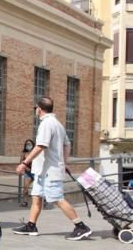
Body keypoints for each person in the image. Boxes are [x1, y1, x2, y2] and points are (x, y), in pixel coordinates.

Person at [13, 97, 93, 240]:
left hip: (50, 171)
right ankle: (31, 226)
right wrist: (64, 161)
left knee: (57, 199)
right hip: (43, 170)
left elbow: (41, 145)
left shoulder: (46, 124)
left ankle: (81, 226)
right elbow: (67, 144)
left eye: (35, 108)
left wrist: (24, 163)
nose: (35, 111)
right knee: (36, 196)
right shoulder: (58, 124)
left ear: (39, 109)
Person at [19, 139, 35, 206]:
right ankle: (25, 202)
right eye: (27, 144)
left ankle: (43, 201)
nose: (28, 145)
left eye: (29, 144)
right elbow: (21, 162)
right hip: (27, 173)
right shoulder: (24, 153)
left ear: (32, 145)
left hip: (35, 172)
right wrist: (25, 167)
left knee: (37, 188)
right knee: (25, 187)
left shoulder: (35, 152)